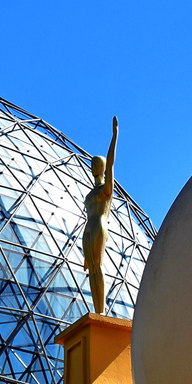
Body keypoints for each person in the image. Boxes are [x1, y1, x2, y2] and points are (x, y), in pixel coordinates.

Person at [82, 117, 119, 315]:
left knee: (98, 267)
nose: (94, 166)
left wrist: (114, 136)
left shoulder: (106, 190)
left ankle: (101, 310)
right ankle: (96, 310)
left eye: (97, 163)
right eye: (92, 163)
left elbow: (111, 163)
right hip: (88, 229)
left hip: (98, 226)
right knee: (91, 270)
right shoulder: (90, 194)